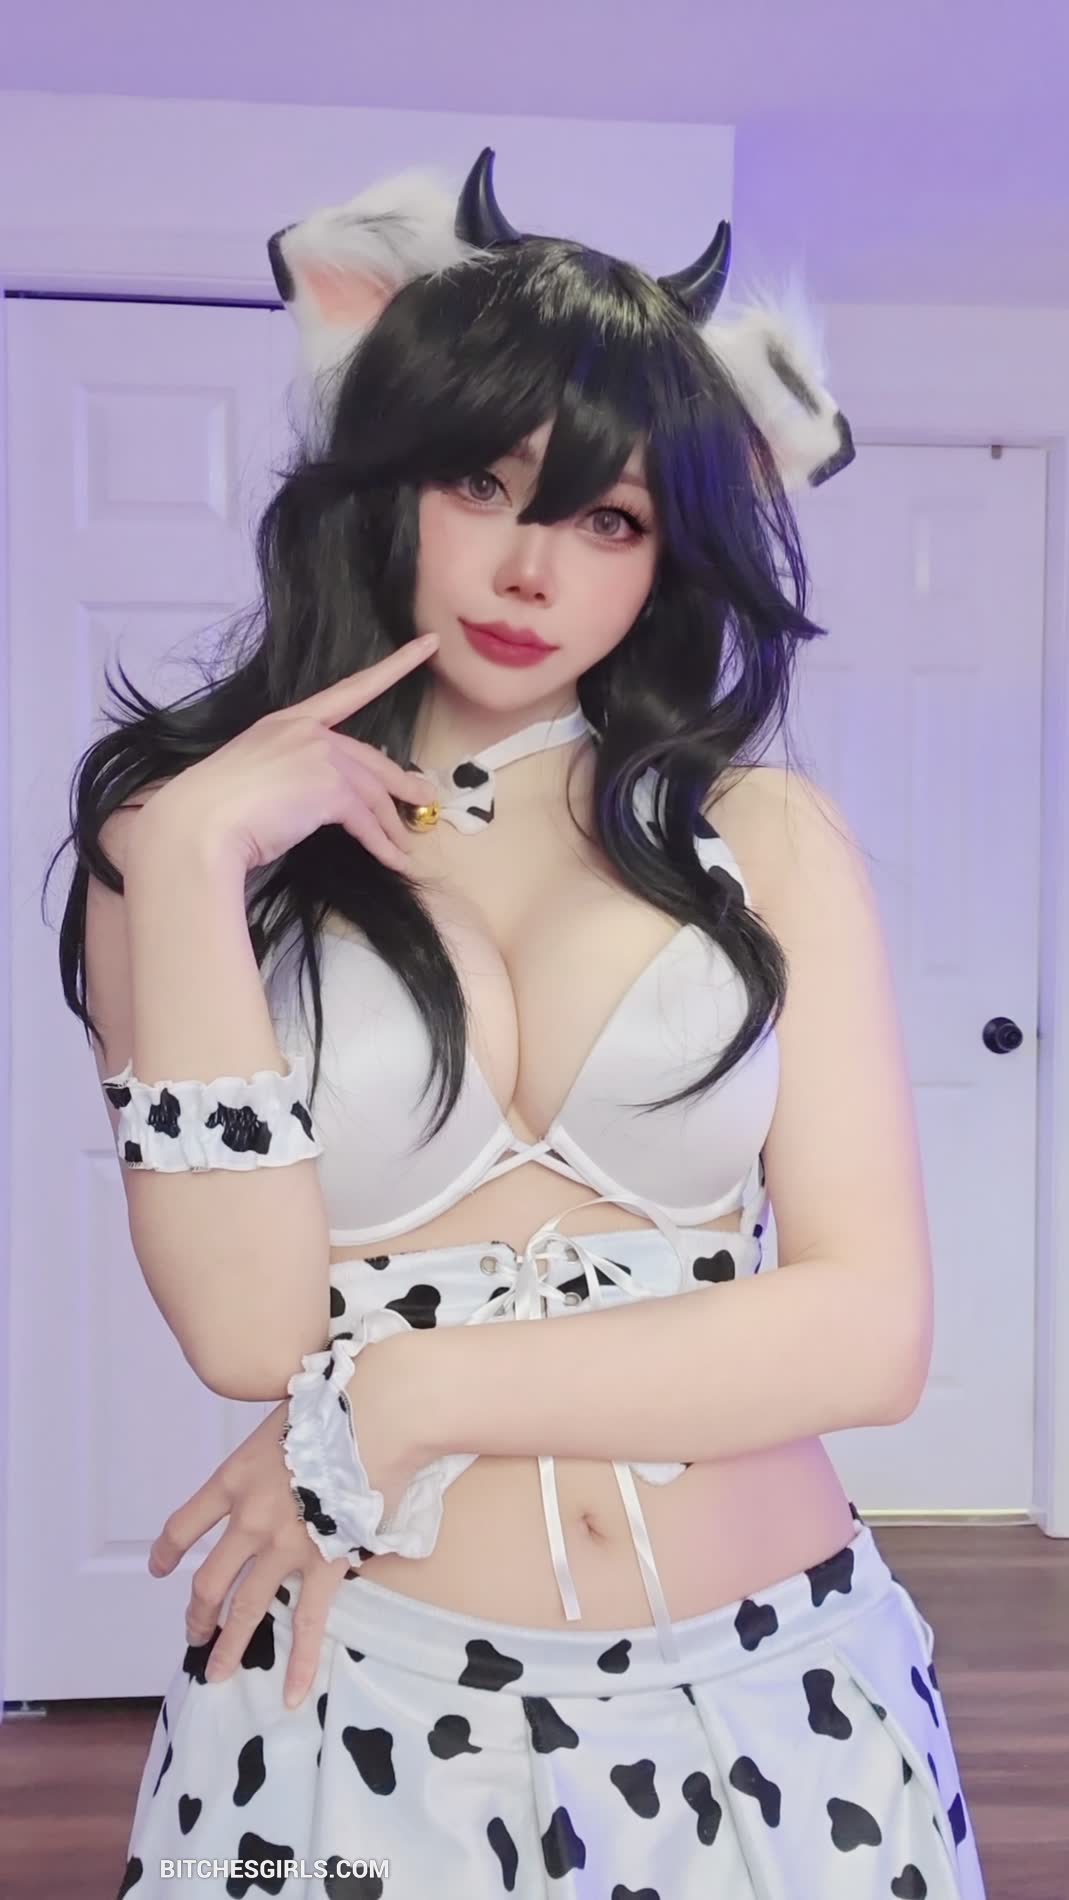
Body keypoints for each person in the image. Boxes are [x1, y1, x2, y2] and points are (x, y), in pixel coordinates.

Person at [57, 148, 988, 1898]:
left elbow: (867, 1332)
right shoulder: (185, 854)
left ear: (666, 558)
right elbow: (250, 1331)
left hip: (780, 1691)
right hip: (359, 1702)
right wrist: (180, 857)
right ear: (387, 482)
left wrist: (406, 1393)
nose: (530, 567)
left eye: (607, 520)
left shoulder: (762, 839)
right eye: (482, 483)